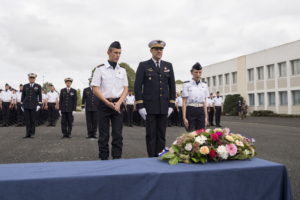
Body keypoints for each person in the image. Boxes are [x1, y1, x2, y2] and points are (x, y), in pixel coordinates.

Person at [134, 40, 176, 157]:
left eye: (161, 49)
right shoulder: (144, 65)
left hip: (164, 107)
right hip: (149, 107)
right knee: (151, 135)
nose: (159, 51)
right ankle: (151, 159)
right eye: (156, 49)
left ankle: (160, 157)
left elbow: (172, 86)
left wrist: (171, 105)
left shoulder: (168, 66)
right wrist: (140, 106)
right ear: (151, 50)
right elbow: (137, 86)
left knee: (162, 135)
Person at [91, 41, 128, 160]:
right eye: (115, 52)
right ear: (108, 53)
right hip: (104, 103)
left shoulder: (122, 70)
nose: (117, 55)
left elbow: (126, 88)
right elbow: (95, 88)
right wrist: (107, 102)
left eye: (119, 53)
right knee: (104, 134)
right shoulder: (100, 69)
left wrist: (119, 102)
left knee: (117, 134)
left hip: (118, 104)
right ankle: (103, 159)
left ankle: (117, 158)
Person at [182, 63, 209, 131]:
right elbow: (184, 102)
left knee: (201, 133)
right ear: (192, 73)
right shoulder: (186, 84)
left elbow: (204, 102)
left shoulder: (204, 85)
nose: (198, 74)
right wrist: (184, 117)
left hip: (201, 110)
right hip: (190, 109)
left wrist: (206, 117)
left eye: (200, 72)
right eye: (196, 72)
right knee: (191, 133)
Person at [21, 73, 42, 138]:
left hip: (34, 105)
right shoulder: (25, 86)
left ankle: (32, 133)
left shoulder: (38, 86)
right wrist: (22, 104)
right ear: (28, 78)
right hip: (26, 105)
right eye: (30, 78)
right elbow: (23, 95)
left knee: (33, 120)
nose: (31, 79)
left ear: (35, 79)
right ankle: (27, 133)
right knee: (27, 120)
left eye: (33, 78)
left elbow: (40, 96)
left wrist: (39, 104)